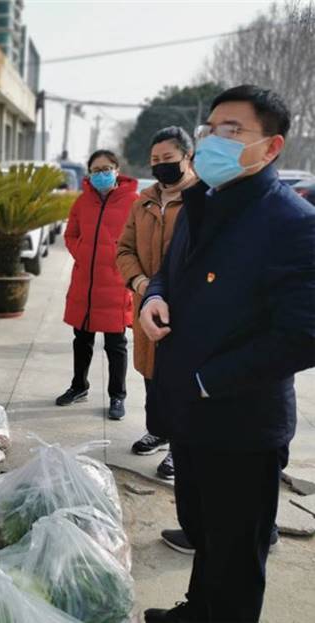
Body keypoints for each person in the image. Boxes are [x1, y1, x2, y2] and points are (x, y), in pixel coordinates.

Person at [141, 85, 315, 623]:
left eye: (232, 130)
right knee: (204, 531)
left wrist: (207, 381)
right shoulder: (202, 203)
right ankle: (197, 610)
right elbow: (171, 269)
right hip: (190, 415)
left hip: (242, 425)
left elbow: (303, 334)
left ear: (270, 147)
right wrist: (153, 296)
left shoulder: (293, 224)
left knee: (237, 555)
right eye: (210, 128)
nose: (213, 140)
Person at [117, 126, 197, 480]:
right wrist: (140, 282)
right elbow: (124, 249)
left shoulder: (203, 201)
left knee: (181, 379)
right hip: (145, 302)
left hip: (187, 310)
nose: (160, 166)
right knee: (151, 374)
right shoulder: (143, 201)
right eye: (155, 160)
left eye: (168, 159)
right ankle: (159, 429)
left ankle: (182, 447)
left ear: (187, 158)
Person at [56, 149, 138, 420]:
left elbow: (139, 241)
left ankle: (117, 396)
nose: (101, 174)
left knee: (116, 344)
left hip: (116, 284)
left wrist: (124, 266)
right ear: (89, 173)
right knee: (82, 340)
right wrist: (82, 252)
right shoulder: (82, 202)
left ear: (116, 170)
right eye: (96, 169)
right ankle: (79, 386)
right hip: (85, 283)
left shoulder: (133, 202)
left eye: (106, 168)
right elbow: (71, 234)